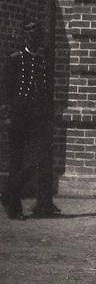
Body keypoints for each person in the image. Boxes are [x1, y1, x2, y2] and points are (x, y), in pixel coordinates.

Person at [0, 21, 60, 219]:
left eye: (38, 37)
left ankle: (39, 202)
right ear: (26, 38)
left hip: (38, 119)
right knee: (17, 160)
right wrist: (8, 115)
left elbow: (46, 91)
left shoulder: (43, 61)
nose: (35, 41)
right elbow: (6, 91)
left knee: (42, 158)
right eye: (32, 37)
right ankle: (13, 207)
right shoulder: (15, 60)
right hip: (19, 118)